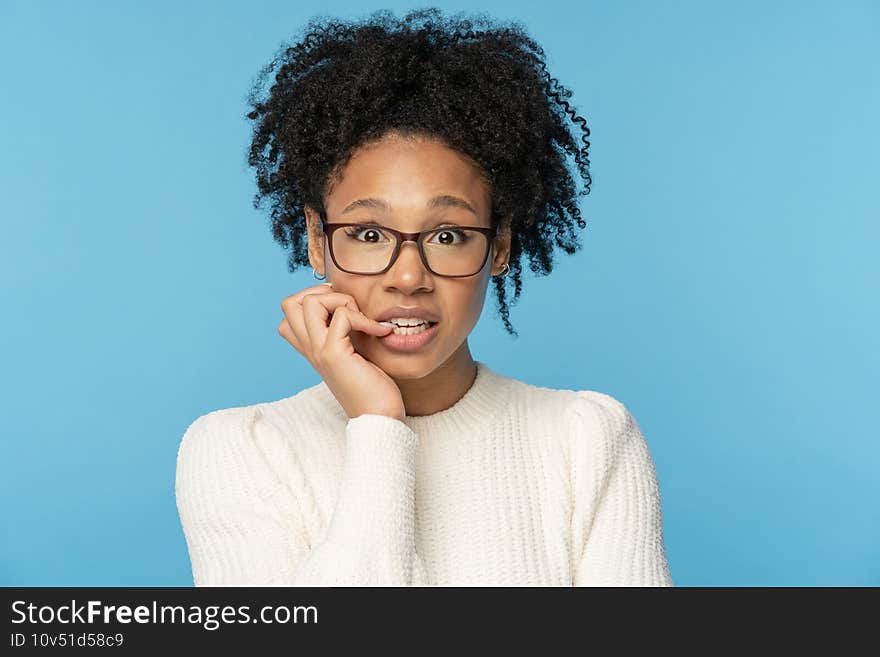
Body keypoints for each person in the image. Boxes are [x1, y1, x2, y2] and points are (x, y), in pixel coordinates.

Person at [175, 7, 674, 586]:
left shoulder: (588, 439)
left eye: (448, 235)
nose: (408, 276)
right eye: (367, 235)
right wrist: (378, 424)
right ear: (317, 240)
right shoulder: (240, 450)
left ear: (500, 243)